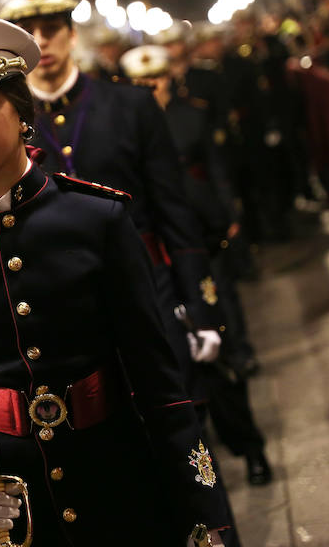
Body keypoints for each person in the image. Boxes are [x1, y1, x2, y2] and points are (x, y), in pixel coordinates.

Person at [0, 14, 231, 546]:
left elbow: (160, 385)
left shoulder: (96, 219)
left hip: (118, 477)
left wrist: (209, 515)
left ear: (22, 110)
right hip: (14, 507)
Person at [0, 0, 227, 421]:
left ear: (72, 33)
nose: (43, 42)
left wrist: (198, 303)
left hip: (152, 294)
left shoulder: (129, 105)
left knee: (180, 425)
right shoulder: (4, 128)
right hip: (71, 317)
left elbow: (173, 212)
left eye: (52, 28)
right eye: (29, 32)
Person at [121, 45, 272, 486]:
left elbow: (214, 170)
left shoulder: (190, 116)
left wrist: (228, 214)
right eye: (143, 86)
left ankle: (250, 447)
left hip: (194, 241)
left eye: (158, 82)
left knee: (217, 356)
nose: (153, 91)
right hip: (149, 259)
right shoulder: (127, 128)